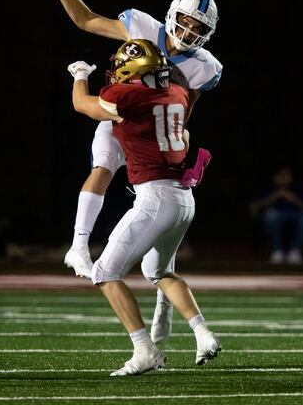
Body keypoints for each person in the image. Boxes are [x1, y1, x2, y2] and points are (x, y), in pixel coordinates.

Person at [38, 0, 222, 346]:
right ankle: (78, 243)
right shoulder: (141, 25)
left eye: (198, 29)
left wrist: (175, 138)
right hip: (121, 116)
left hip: (152, 129)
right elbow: (86, 20)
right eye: (186, 23)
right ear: (172, 15)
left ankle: (163, 307)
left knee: (158, 250)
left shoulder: (205, 67)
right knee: (103, 164)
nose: (189, 33)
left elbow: (184, 110)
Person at [67, 38, 220, 375]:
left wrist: (79, 74)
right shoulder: (177, 94)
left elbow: (82, 104)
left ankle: (144, 349)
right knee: (160, 272)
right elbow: (185, 137)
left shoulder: (128, 97)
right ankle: (203, 333)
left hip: (155, 198)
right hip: (184, 199)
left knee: (105, 273)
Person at [249, 166, 303, 265]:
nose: (283, 177)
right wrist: (274, 196)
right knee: (270, 215)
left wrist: (292, 198)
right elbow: (254, 207)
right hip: (276, 215)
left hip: (297, 214)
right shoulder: (267, 188)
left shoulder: (299, 188)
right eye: (280, 175)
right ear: (275, 177)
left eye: (286, 175)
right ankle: (277, 251)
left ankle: (295, 251)